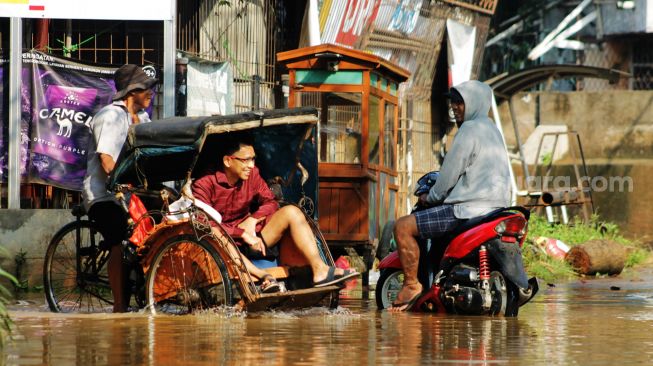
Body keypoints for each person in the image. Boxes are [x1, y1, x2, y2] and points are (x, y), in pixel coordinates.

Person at [389, 80, 511, 312]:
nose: (454, 106)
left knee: (403, 227)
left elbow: (448, 178)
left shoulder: (469, 130)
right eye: (453, 102)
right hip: (496, 210)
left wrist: (431, 197)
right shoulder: (492, 130)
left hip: (466, 210)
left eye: (460, 102)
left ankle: (412, 285)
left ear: (474, 103)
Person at [191, 137, 359, 290]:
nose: (251, 165)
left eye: (253, 159)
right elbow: (203, 223)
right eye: (245, 160)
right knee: (214, 232)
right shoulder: (204, 183)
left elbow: (271, 201)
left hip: (254, 238)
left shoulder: (252, 175)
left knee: (292, 212)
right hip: (222, 242)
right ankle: (262, 275)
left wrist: (252, 220)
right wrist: (241, 233)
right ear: (228, 161)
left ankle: (319, 270)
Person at [82, 64, 157, 312]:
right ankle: (119, 307)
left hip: (131, 194)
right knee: (119, 236)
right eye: (145, 87)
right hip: (104, 196)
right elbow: (106, 160)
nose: (150, 92)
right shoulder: (110, 115)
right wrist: (121, 185)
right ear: (131, 91)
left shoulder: (143, 119)